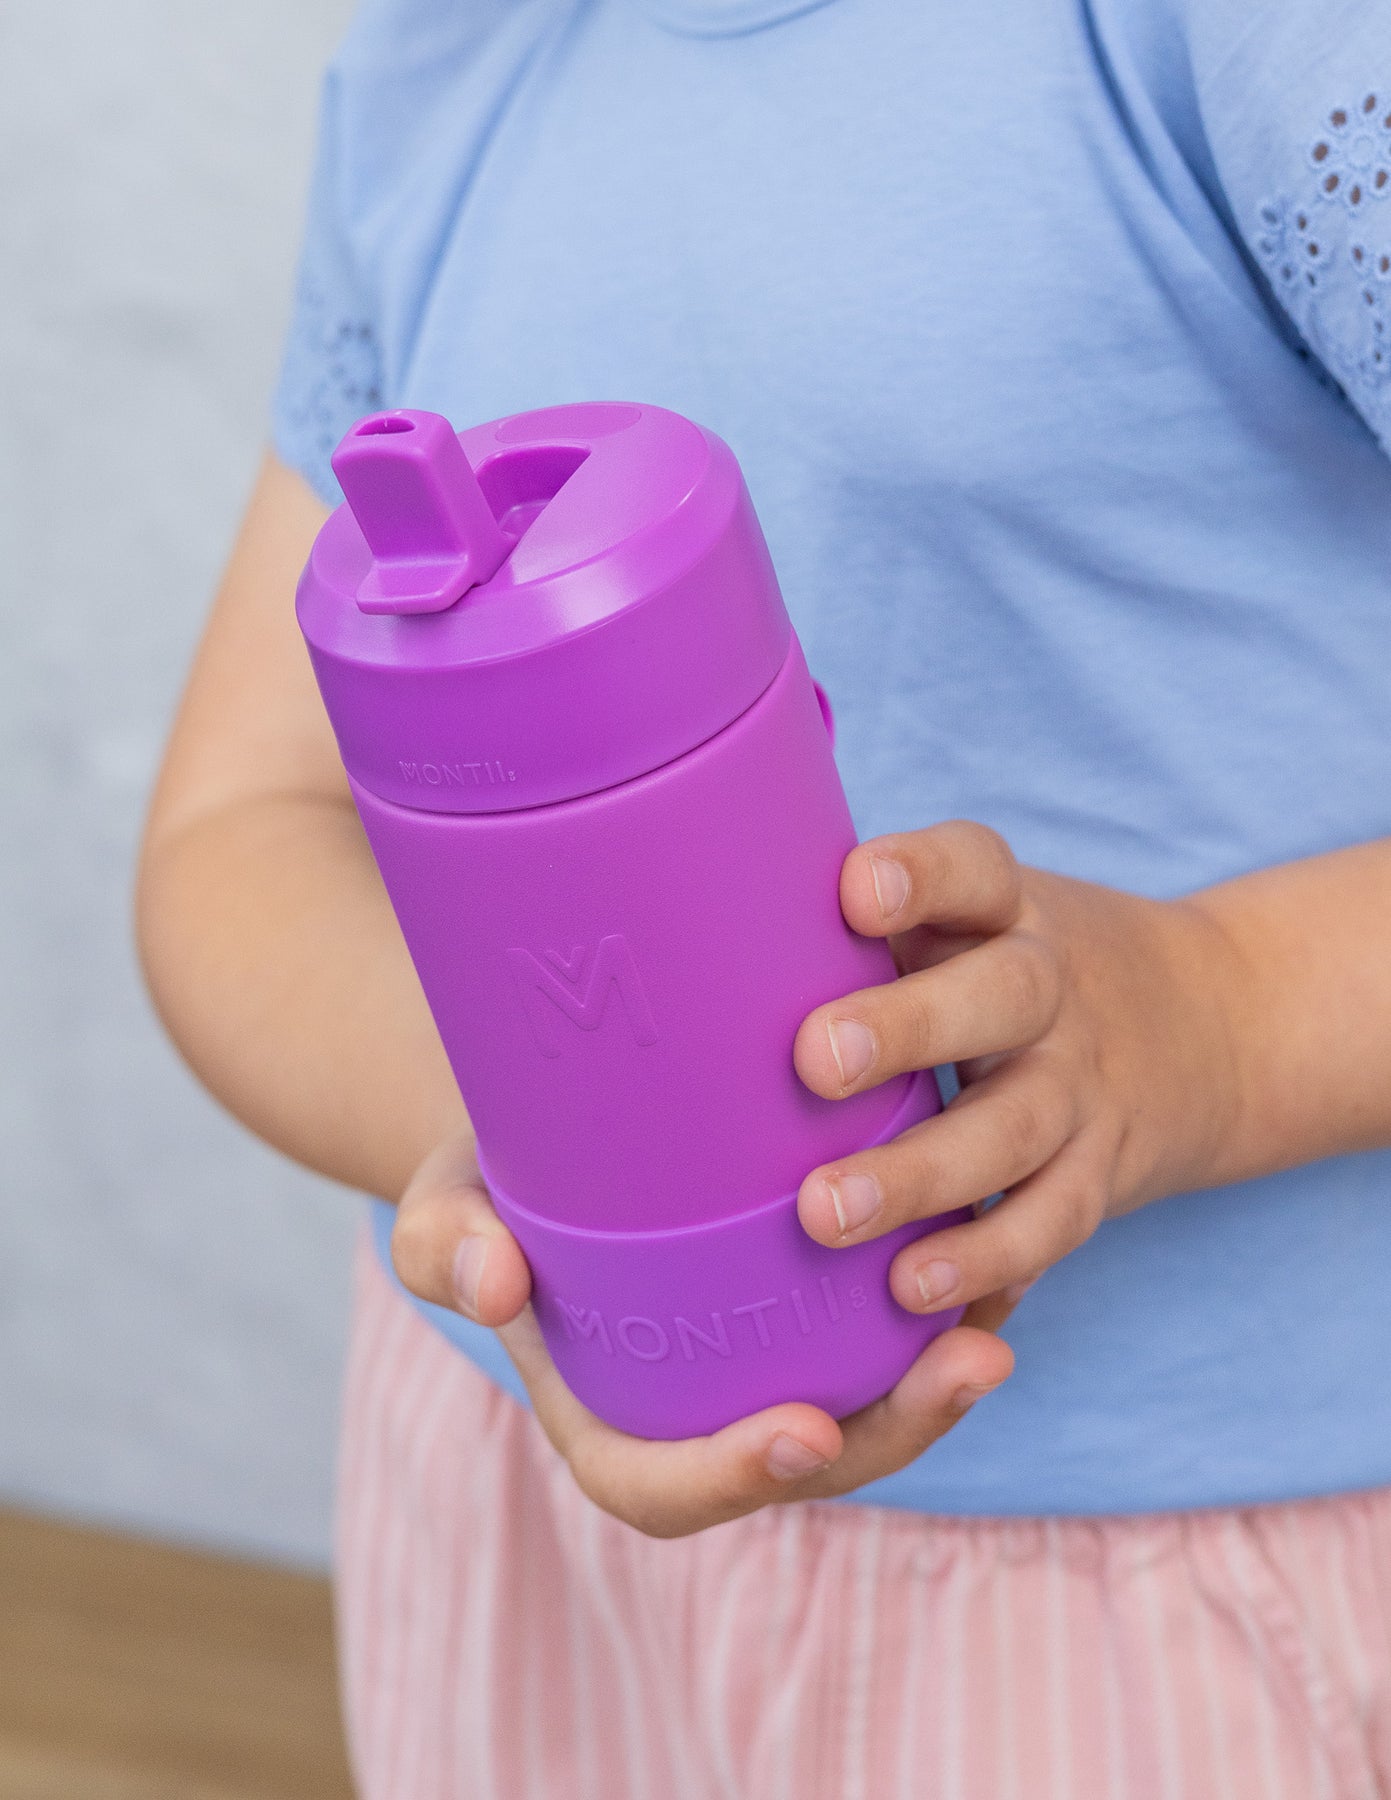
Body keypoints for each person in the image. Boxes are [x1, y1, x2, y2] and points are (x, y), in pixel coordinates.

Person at [136, 0, 1391, 1792]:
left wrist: (1219, 1015)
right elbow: (240, 823)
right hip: (537, 1521)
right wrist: (557, 1165)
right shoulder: (445, 56)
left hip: (1168, 1582)